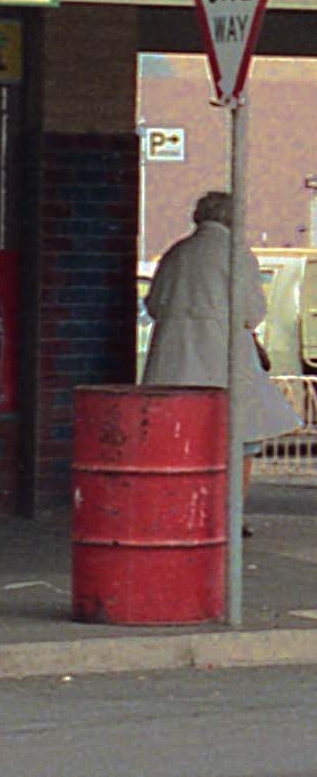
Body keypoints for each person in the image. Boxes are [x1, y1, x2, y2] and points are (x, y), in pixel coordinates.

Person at [142, 189, 299, 528]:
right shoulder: (237, 254)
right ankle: (231, 517)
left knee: (180, 439)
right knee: (239, 440)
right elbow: (252, 311)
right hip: (225, 359)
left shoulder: (176, 253)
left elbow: (153, 305)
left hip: (172, 359)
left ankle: (181, 511)